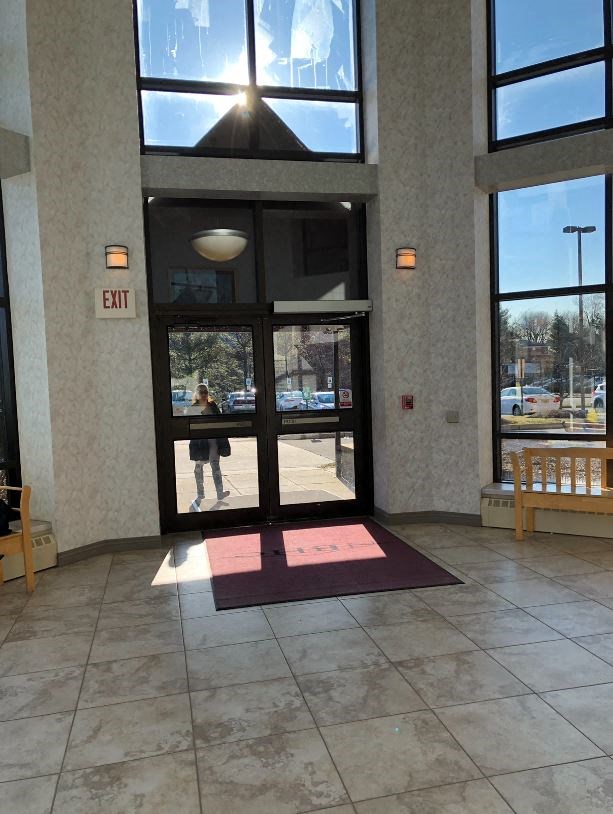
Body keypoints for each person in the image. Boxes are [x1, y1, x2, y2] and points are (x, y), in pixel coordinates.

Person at [186, 384, 231, 511]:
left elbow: (221, 421)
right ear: (197, 394)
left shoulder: (213, 406)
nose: (204, 394)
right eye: (201, 392)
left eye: (206, 391)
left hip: (213, 441)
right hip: (200, 443)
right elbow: (189, 424)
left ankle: (219, 493)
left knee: (215, 466)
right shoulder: (194, 408)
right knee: (198, 468)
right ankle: (200, 494)